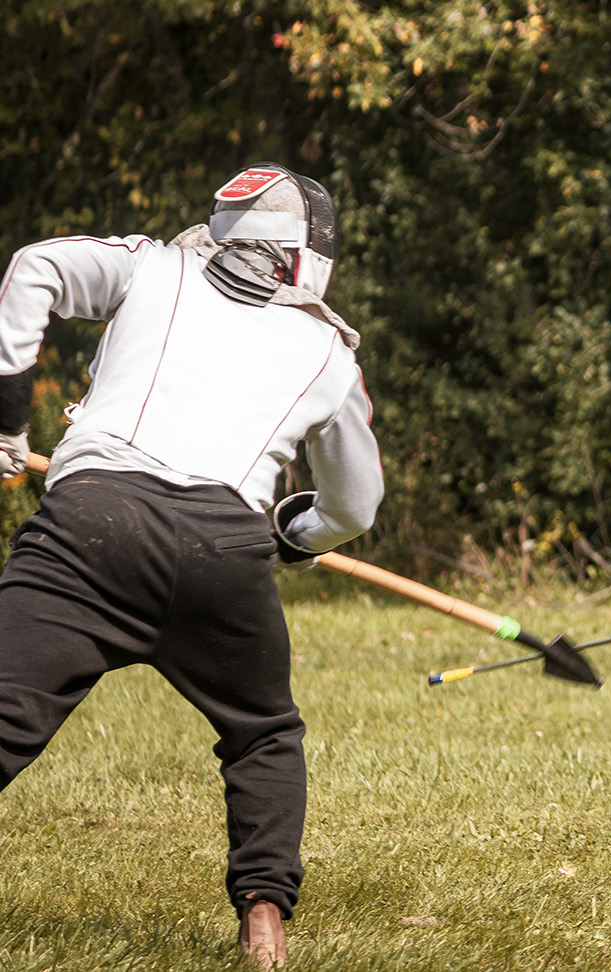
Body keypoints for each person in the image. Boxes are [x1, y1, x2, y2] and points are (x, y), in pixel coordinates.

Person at [0, 163, 383, 968]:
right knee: (263, 735)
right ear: (306, 257)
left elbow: (34, 266)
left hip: (93, 525)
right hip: (226, 547)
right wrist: (294, 536)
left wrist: (8, 418)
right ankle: (265, 922)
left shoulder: (152, 265)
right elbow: (355, 507)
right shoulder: (330, 355)